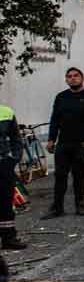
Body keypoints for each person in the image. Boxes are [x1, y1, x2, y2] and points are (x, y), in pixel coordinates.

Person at [44, 67, 84, 218]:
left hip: (83, 143)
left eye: (76, 76)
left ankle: (80, 204)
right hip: (64, 142)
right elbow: (55, 119)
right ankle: (57, 207)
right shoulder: (61, 97)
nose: (72, 78)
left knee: (78, 173)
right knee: (60, 175)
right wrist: (51, 139)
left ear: (82, 78)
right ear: (66, 79)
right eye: (69, 76)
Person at [1, 102, 28, 250]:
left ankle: (9, 238)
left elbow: (16, 139)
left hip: (3, 165)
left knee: (6, 202)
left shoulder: (6, 112)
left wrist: (14, 158)